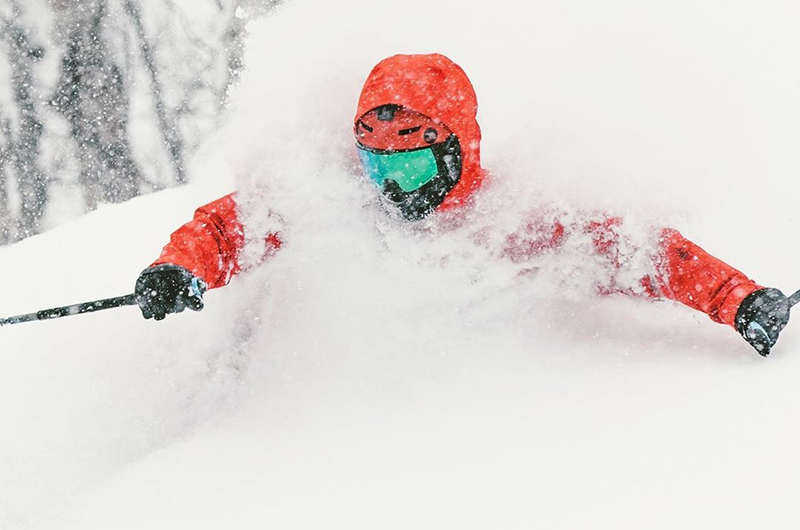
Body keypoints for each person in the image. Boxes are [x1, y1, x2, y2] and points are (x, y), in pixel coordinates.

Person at [135, 53, 792, 356]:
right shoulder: (331, 197)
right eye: (375, 162)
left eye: (413, 162)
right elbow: (231, 225)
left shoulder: (518, 220)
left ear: (455, 150)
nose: (392, 185)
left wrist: (737, 298)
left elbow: (647, 255)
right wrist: (180, 269)